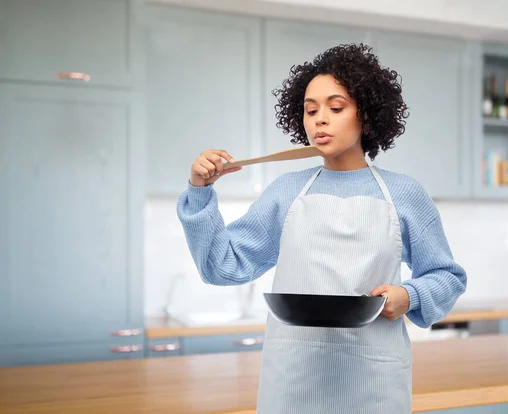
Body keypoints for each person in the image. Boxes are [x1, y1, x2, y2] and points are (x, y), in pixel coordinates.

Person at [177, 43, 467, 414]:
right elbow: (222, 266)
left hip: (372, 382)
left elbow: (446, 276)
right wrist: (199, 191)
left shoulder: (404, 194)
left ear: (366, 115)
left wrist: (408, 296)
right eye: (310, 110)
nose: (320, 119)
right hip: (294, 381)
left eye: (336, 107)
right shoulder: (285, 192)